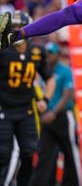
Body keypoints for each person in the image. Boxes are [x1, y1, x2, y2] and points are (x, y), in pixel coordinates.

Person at [0, 11, 54, 186]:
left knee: (29, 153)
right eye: (14, 26)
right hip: (4, 110)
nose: (16, 30)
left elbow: (50, 79)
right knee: (5, 153)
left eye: (20, 26)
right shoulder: (3, 50)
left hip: (27, 110)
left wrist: (45, 100)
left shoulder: (37, 51)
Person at [29, 42, 82, 186]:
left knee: (70, 152)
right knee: (44, 154)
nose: (48, 57)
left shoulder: (65, 70)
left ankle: (74, 182)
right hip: (46, 117)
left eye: (51, 54)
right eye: (46, 54)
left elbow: (68, 94)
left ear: (57, 55)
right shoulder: (41, 72)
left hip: (63, 116)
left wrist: (53, 112)